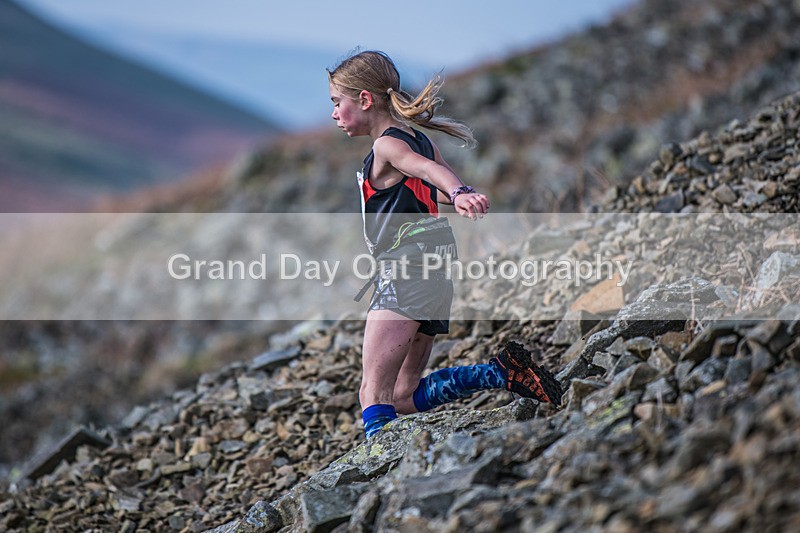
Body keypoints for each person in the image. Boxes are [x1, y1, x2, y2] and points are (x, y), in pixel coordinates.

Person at [327, 50, 562, 439]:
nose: (334, 113)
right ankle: (501, 372)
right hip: (434, 273)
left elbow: (429, 172)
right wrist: (456, 193)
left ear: (365, 100)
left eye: (338, 103)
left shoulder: (388, 147)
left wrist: (460, 190)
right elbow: (432, 178)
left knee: (373, 390)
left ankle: (380, 470)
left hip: (406, 271)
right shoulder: (417, 139)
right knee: (402, 394)